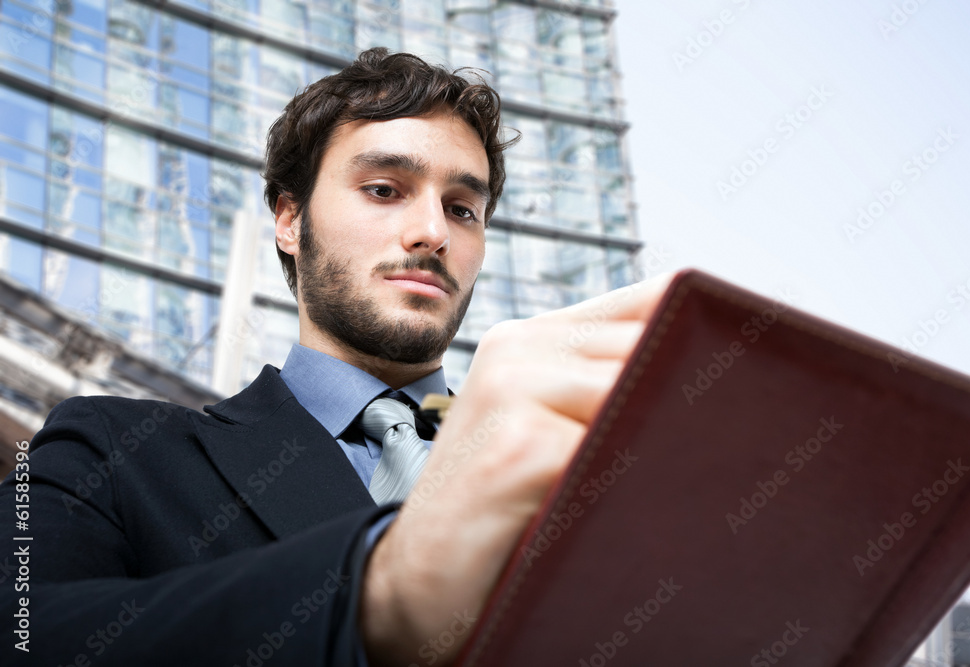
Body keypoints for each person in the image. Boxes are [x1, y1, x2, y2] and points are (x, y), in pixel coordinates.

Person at [0, 48, 667, 666]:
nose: (433, 231)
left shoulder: (579, 478)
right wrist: (379, 590)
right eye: (384, 189)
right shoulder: (108, 448)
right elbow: (21, 632)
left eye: (463, 209)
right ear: (289, 220)